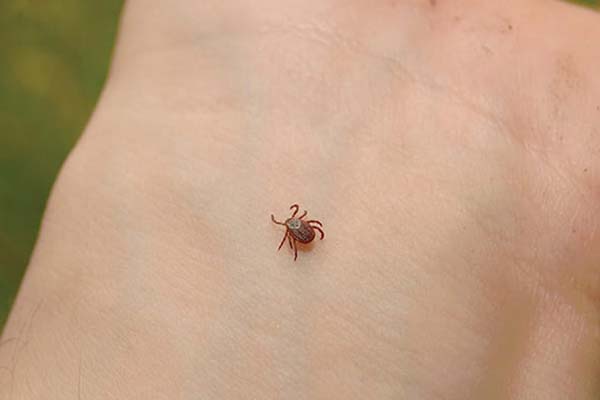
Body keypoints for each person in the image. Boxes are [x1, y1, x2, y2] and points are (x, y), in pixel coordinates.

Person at [1, 0, 599, 398]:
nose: (297, 228)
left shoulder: (292, 232)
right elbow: (306, 233)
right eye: (295, 226)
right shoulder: (299, 228)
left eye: (295, 224)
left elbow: (297, 236)